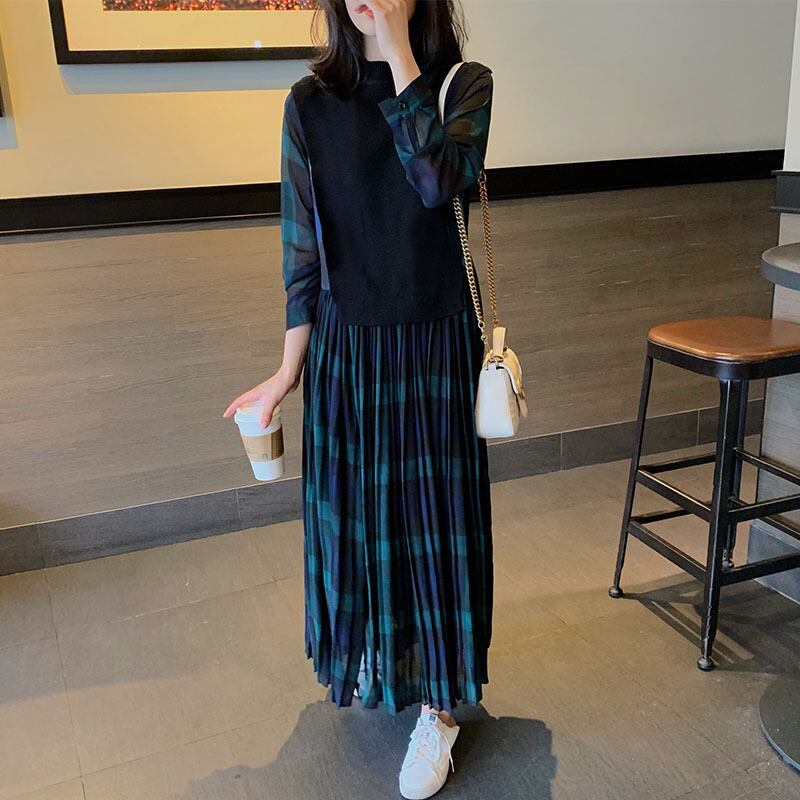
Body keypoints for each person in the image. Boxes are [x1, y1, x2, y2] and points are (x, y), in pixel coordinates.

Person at [224, 0, 493, 796]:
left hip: (436, 343)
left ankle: (440, 709)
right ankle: (388, 660)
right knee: (363, 527)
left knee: (435, 530)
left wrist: (398, 48)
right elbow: (302, 251)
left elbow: (435, 180)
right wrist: (287, 369)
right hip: (348, 354)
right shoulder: (308, 105)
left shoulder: (464, 85)